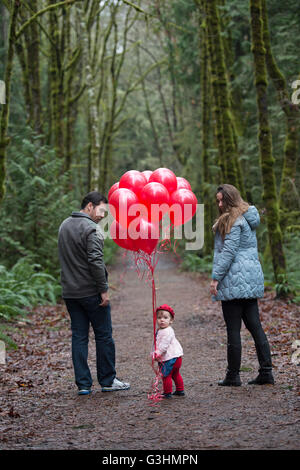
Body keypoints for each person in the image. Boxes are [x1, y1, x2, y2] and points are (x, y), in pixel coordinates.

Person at [58, 191, 130, 395]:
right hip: (91, 292)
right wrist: (103, 290)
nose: (102, 215)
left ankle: (83, 384)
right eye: (101, 210)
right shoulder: (92, 229)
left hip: (70, 293)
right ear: (89, 206)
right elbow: (96, 262)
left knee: (79, 337)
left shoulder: (64, 225)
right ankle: (108, 380)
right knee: (104, 335)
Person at [210, 184, 274, 387]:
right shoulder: (247, 217)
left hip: (234, 280)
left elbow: (228, 252)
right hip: (250, 279)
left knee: (233, 330)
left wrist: (215, 278)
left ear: (231, 200)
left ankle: (233, 375)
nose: (220, 204)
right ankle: (266, 372)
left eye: (223, 200)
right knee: (255, 326)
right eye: (218, 200)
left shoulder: (234, 221)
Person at [152, 304, 184, 398]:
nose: (162, 320)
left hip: (171, 358)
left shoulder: (167, 331)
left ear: (171, 320)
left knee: (166, 376)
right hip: (176, 357)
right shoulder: (161, 330)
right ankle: (180, 390)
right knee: (175, 374)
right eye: (159, 317)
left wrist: (157, 353)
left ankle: (167, 392)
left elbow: (164, 346)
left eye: (165, 318)